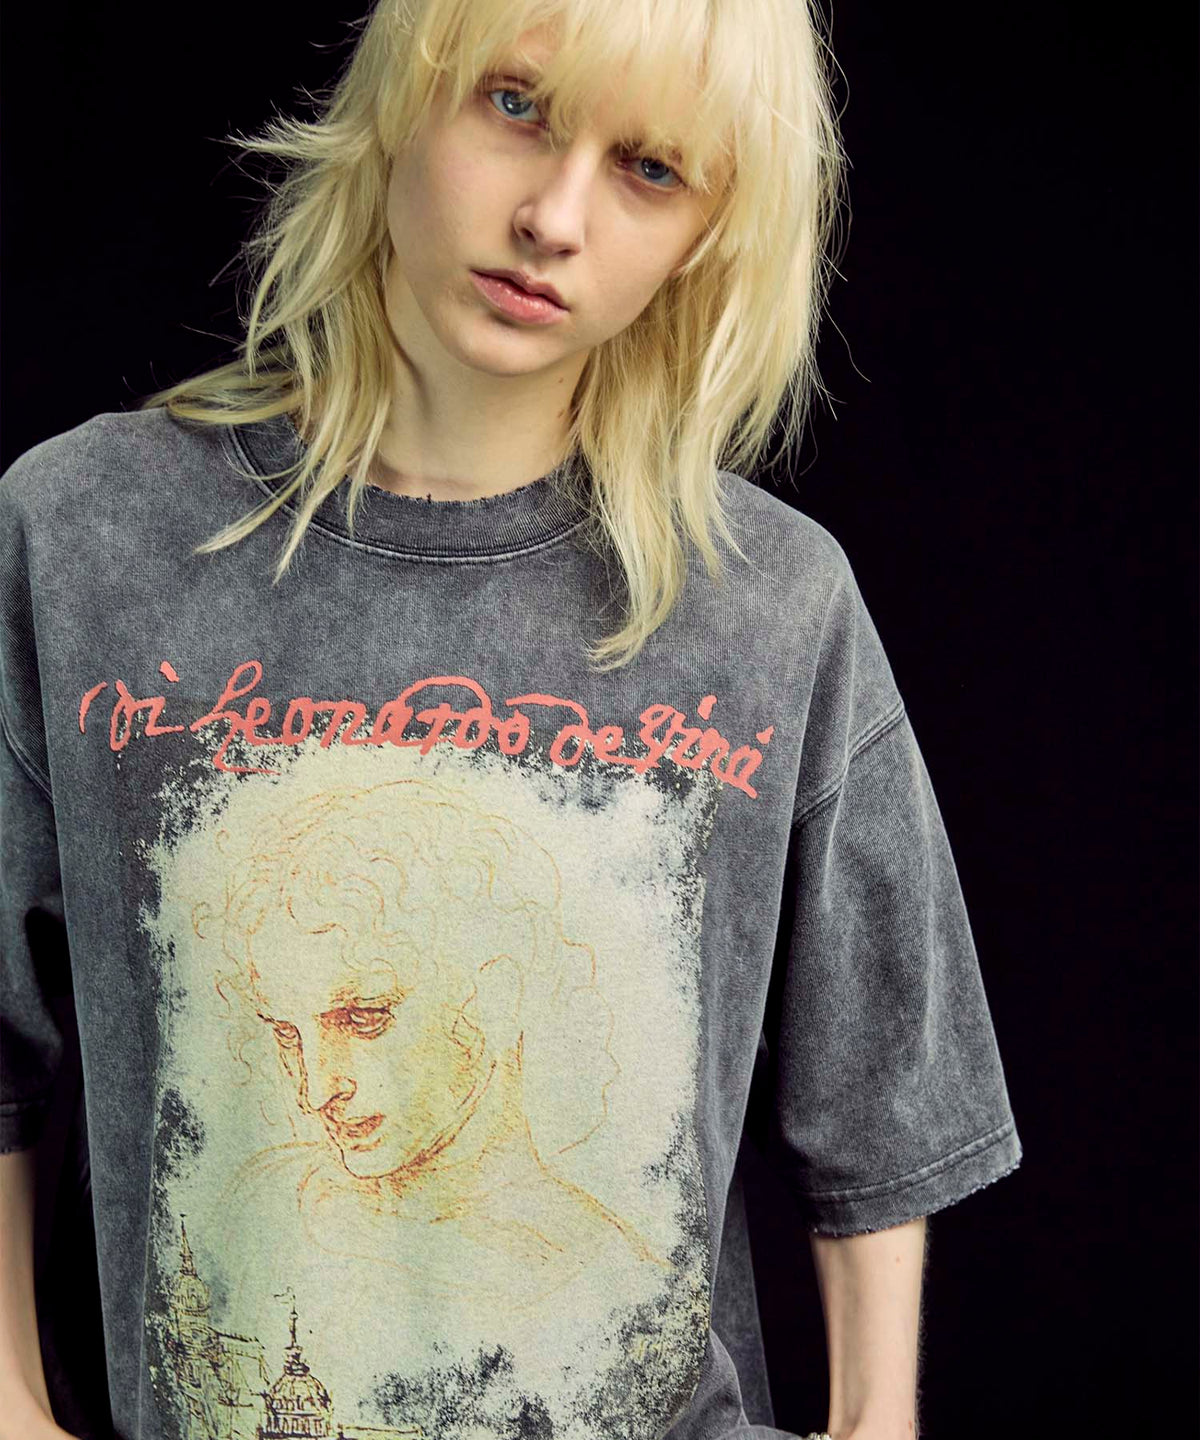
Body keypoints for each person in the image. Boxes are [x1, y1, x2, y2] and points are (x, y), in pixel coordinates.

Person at [0, 2, 1023, 1438]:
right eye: (517, 107)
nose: (554, 218)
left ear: (711, 233)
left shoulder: (770, 605)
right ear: (403, 95)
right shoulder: (84, 536)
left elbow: (885, 1092)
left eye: (649, 169)